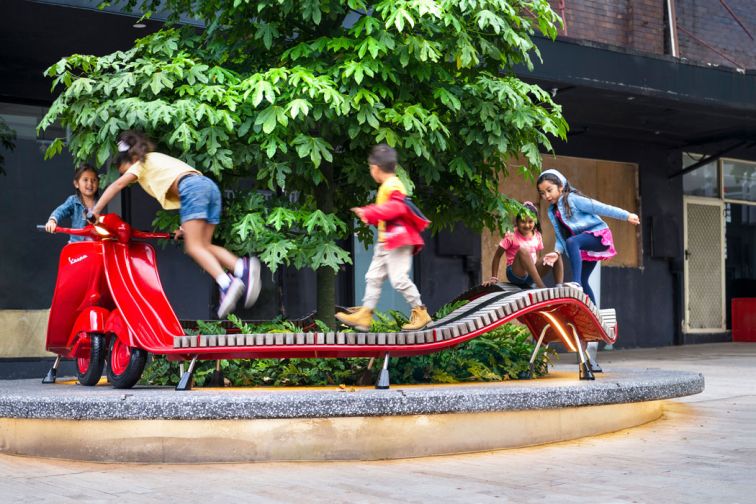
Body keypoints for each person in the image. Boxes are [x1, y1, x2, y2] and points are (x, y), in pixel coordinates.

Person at [89, 130, 260, 319]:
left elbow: (117, 185)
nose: (130, 179)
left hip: (193, 189)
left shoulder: (141, 164)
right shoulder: (157, 159)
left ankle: (227, 284)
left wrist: (95, 211)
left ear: (131, 159)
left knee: (194, 247)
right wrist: (184, 227)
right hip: (207, 187)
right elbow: (186, 193)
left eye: (125, 171)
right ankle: (240, 267)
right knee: (205, 245)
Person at [336, 144, 431, 332]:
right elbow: (389, 215)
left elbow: (396, 208)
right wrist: (371, 216)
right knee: (373, 277)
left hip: (397, 242)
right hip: (386, 242)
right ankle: (365, 315)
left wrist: (370, 212)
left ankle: (420, 312)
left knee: (398, 279)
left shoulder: (393, 185)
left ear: (375, 168)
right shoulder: (388, 186)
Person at [537, 168, 640, 304]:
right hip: (584, 245)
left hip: (599, 237)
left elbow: (602, 208)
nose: (546, 196)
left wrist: (626, 215)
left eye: (549, 190)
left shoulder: (574, 199)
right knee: (585, 279)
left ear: (561, 186)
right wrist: (557, 252)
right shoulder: (553, 211)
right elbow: (559, 235)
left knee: (572, 242)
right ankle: (595, 315)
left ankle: (576, 283)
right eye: (542, 193)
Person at [484, 201, 563, 289]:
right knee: (523, 250)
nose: (527, 225)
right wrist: (494, 278)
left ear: (535, 222)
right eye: (523, 221)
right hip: (516, 273)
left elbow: (535, 255)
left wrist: (537, 268)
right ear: (517, 221)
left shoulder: (537, 235)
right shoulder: (511, 234)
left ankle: (559, 286)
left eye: (530, 222)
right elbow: (497, 256)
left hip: (531, 275)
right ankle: (541, 286)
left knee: (556, 254)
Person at [45, 163, 99, 243]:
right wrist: (52, 221)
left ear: (98, 182)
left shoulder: (101, 201)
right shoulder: (73, 201)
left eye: (94, 180)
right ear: (76, 184)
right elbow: (61, 210)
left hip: (97, 246)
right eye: (85, 180)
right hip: (77, 245)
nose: (90, 183)